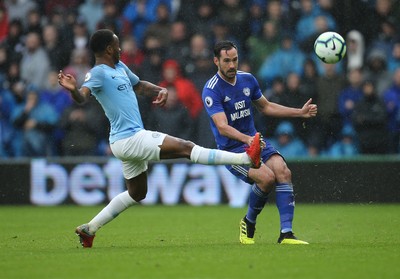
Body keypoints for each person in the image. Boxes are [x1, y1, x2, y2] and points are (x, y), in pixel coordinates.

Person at [57, 29, 262, 248]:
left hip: (125, 141)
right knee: (186, 147)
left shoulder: (119, 67)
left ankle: (90, 229)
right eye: (117, 45)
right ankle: (245, 159)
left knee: (137, 192)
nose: (121, 48)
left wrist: (159, 90)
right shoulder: (97, 73)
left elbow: (139, 86)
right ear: (109, 48)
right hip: (130, 138)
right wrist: (73, 90)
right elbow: (82, 96)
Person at [202, 41, 317, 245]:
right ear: (216, 61)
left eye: (235, 60)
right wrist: (247, 139)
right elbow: (222, 127)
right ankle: (248, 221)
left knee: (283, 172)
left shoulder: (247, 80)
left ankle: (286, 233)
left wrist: (299, 112)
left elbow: (266, 106)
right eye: (226, 61)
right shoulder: (211, 90)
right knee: (266, 179)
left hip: (255, 141)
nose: (231, 65)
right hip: (233, 150)